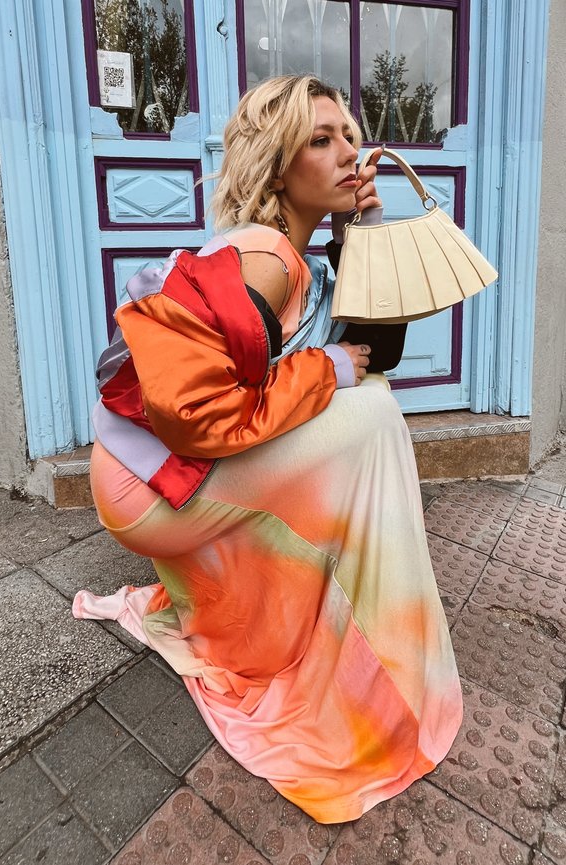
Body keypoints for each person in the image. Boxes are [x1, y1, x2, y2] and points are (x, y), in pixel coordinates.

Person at [73, 75, 462, 824]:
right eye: (321, 139)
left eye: (349, 133)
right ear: (279, 168)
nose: (350, 151)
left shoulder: (307, 260)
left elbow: (375, 351)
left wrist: (363, 235)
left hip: (160, 472)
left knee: (365, 399)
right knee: (372, 416)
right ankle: (361, 654)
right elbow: (201, 417)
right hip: (145, 484)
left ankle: (295, 629)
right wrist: (331, 368)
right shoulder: (265, 258)